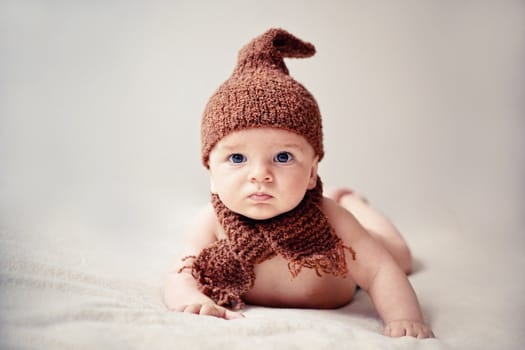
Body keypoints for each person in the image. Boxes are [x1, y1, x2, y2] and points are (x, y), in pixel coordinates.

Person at [163, 28, 434, 339]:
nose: (260, 174)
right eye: (237, 159)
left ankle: (351, 199)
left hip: (348, 277)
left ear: (311, 173)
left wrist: (404, 318)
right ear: (211, 172)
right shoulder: (210, 223)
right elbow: (183, 272)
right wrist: (190, 299)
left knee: (399, 258)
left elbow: (378, 271)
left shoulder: (330, 219)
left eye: (282, 157)